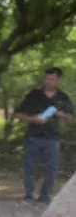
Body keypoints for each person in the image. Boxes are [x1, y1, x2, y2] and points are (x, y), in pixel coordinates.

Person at [14, 67, 74, 204]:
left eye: (52, 79)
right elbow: (18, 113)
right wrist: (32, 119)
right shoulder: (34, 95)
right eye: (46, 78)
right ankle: (29, 196)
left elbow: (70, 117)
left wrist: (59, 114)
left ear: (58, 80)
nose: (48, 82)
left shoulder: (63, 97)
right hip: (33, 136)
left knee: (52, 169)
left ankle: (45, 197)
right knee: (30, 167)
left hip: (52, 137)